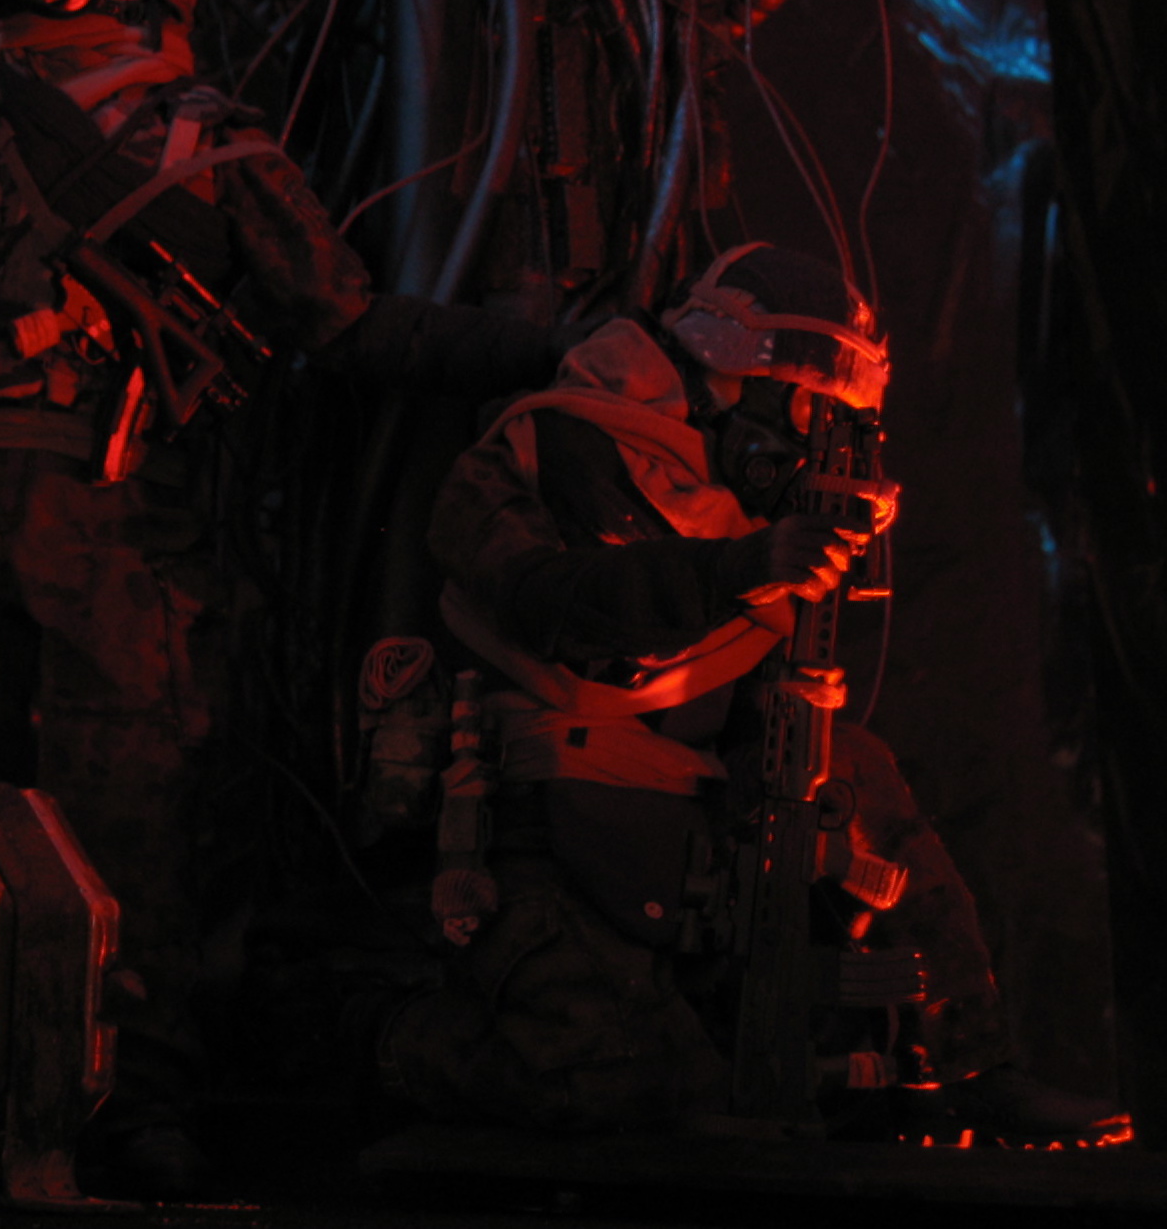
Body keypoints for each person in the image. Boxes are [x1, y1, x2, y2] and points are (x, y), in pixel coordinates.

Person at [0, 0, 563, 1194]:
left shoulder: (208, 148)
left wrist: (543, 348)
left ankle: (130, 1099)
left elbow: (345, 324)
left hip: (119, 519)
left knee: (130, 811)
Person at [373, 241, 1127, 1147]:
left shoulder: (746, 501)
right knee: (622, 1090)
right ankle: (384, 1039)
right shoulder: (529, 452)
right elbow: (546, 605)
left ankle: (965, 1061)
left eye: (829, 418)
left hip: (694, 797)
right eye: (799, 406)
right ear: (718, 381)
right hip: (543, 813)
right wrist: (741, 567)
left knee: (851, 767)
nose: (807, 437)